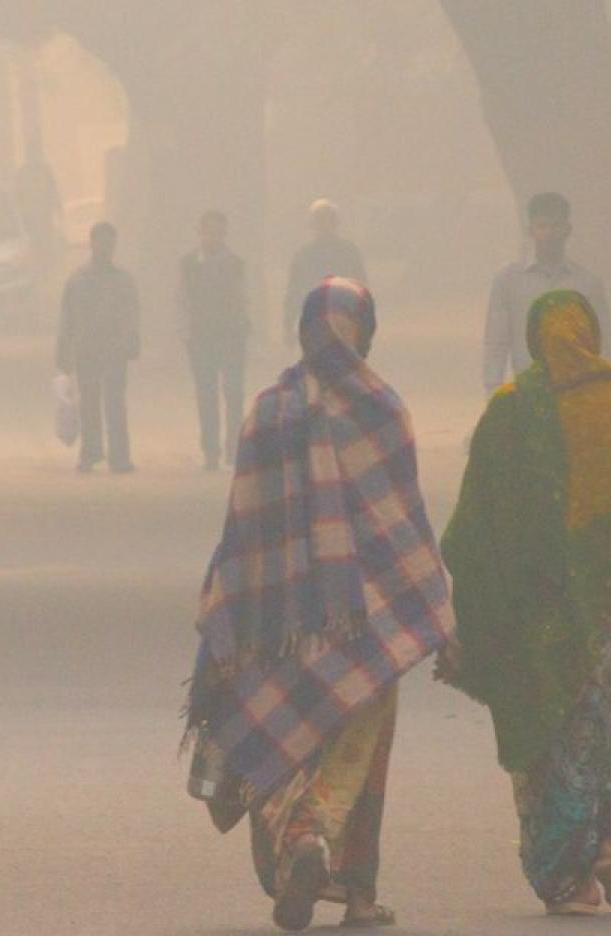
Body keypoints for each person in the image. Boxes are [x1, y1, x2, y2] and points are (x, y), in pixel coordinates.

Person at [185, 278, 458, 932]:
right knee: (363, 754)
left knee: (286, 736)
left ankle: (301, 846)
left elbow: (242, 527)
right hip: (369, 623)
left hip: (275, 623)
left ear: (304, 329)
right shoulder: (381, 409)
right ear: (365, 330)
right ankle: (353, 885)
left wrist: (231, 613)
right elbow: (405, 521)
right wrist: (436, 609)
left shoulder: (266, 412)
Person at [438, 290, 611, 916]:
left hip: (542, 623)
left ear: (532, 339)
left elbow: (474, 531)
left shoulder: (508, 412)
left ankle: (566, 877)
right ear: (592, 333)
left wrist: (471, 618)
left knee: (553, 736)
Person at [482, 192, 611, 392]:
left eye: (556, 226)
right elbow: (496, 342)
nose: (549, 233)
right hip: (528, 392)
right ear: (531, 231)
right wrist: (493, 392)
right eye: (542, 226)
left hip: (577, 393)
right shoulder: (508, 281)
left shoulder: (587, 284)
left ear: (568, 230)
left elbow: (603, 344)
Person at [54, 222, 139, 473]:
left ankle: (119, 457)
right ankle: (91, 453)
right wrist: (63, 351)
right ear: (92, 243)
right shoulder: (77, 280)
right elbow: (68, 317)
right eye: (101, 241)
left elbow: (131, 313)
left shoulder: (123, 280)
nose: (106, 247)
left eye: (110, 242)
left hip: (115, 350)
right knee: (90, 403)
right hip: (87, 349)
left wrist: (132, 341)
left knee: (115, 404)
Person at [177, 209, 249, 471]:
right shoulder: (188, 264)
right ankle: (210, 450)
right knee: (206, 395)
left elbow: (243, 299)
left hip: (231, 337)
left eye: (218, 231)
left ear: (224, 233)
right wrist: (186, 334)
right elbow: (182, 300)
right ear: (200, 232)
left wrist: (243, 328)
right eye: (209, 231)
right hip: (201, 339)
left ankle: (234, 449)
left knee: (233, 393)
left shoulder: (236, 263)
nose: (213, 237)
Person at [281, 200, 367, 344]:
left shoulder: (305, 254)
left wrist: (288, 326)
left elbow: (293, 293)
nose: (324, 226)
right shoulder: (348, 251)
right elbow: (294, 292)